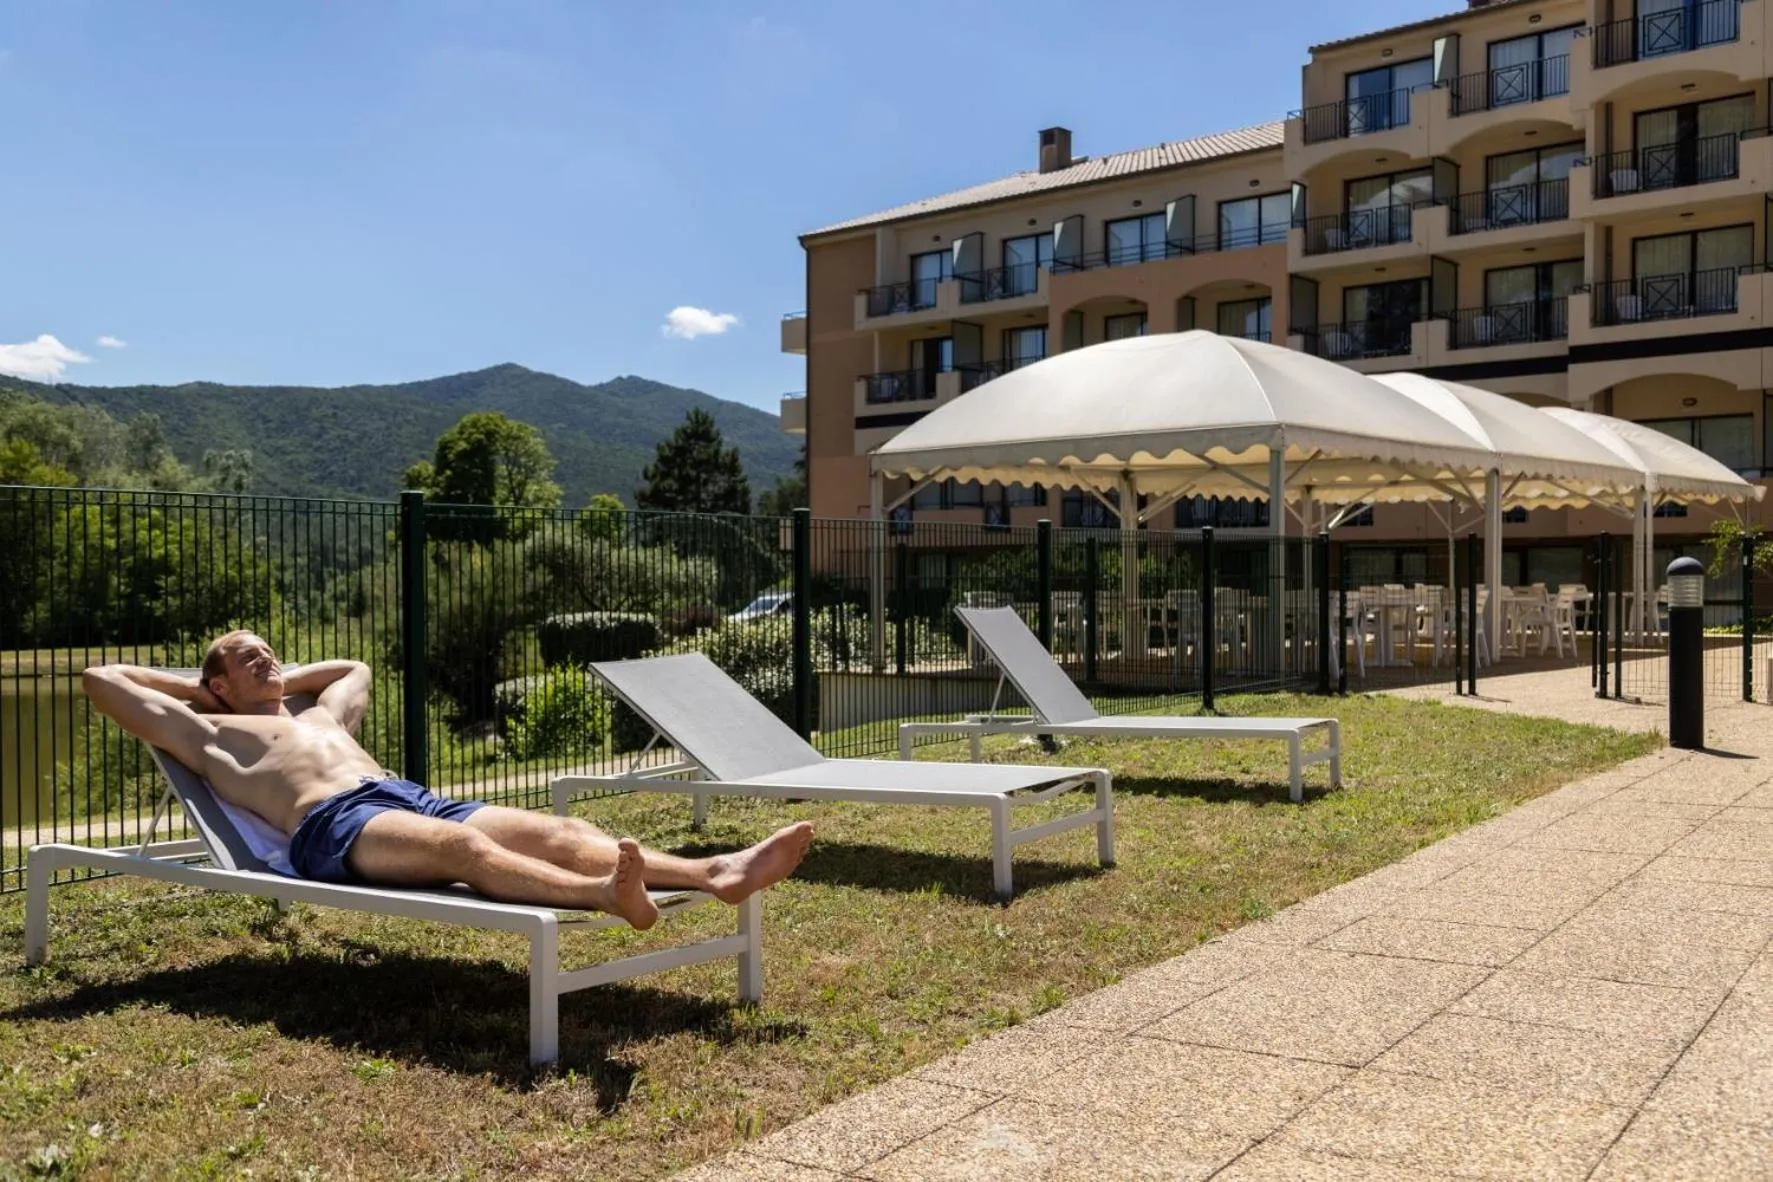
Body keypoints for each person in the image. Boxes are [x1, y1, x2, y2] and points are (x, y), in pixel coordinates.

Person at [82, 630, 813, 930]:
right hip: (334, 826)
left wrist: (279, 678)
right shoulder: (210, 732)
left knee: (562, 831)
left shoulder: (318, 714)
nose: (266, 659)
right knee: (461, 853)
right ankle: (603, 896)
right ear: (212, 685)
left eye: (270, 650)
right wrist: (195, 691)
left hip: (408, 797)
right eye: (247, 658)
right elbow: (100, 678)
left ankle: (715, 870)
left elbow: (354, 670)